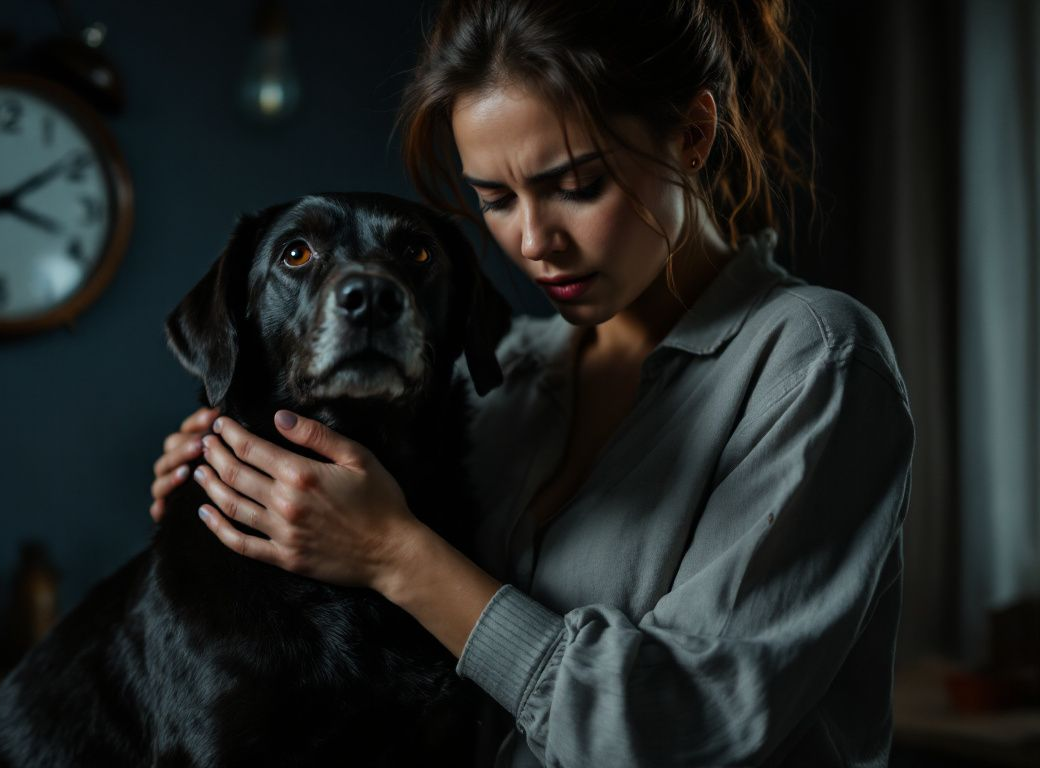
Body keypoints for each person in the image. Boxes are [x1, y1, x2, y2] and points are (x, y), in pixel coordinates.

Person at [150, 0, 914, 765]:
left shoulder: (814, 364)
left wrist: (395, 554)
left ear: (691, 135)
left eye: (577, 185)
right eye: (495, 200)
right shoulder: (501, 374)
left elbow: (688, 726)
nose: (534, 241)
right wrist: (245, 468)